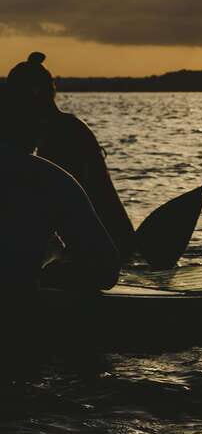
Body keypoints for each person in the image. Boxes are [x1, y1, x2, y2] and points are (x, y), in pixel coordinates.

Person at [7, 53, 135, 260]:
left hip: (106, 245)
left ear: (33, 92)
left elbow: (68, 206)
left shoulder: (63, 133)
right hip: (105, 241)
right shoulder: (60, 128)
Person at [0, 86, 120, 295]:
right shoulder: (50, 178)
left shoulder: (51, 177)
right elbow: (105, 269)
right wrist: (46, 271)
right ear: (35, 128)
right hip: (18, 314)